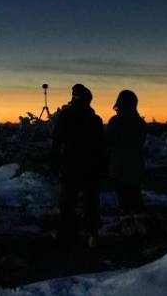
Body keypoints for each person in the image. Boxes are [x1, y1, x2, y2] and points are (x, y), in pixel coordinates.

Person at [51, 83, 108, 248]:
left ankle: (67, 233)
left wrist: (54, 161)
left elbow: (57, 141)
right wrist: (103, 167)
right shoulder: (95, 119)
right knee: (91, 201)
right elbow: (102, 146)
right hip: (91, 166)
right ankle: (92, 234)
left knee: (68, 200)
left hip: (71, 164)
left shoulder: (65, 116)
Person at [106, 90, 146, 215]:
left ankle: (128, 225)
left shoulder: (115, 122)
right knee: (136, 198)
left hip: (120, 166)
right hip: (136, 165)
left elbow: (108, 142)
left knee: (123, 200)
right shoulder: (140, 123)